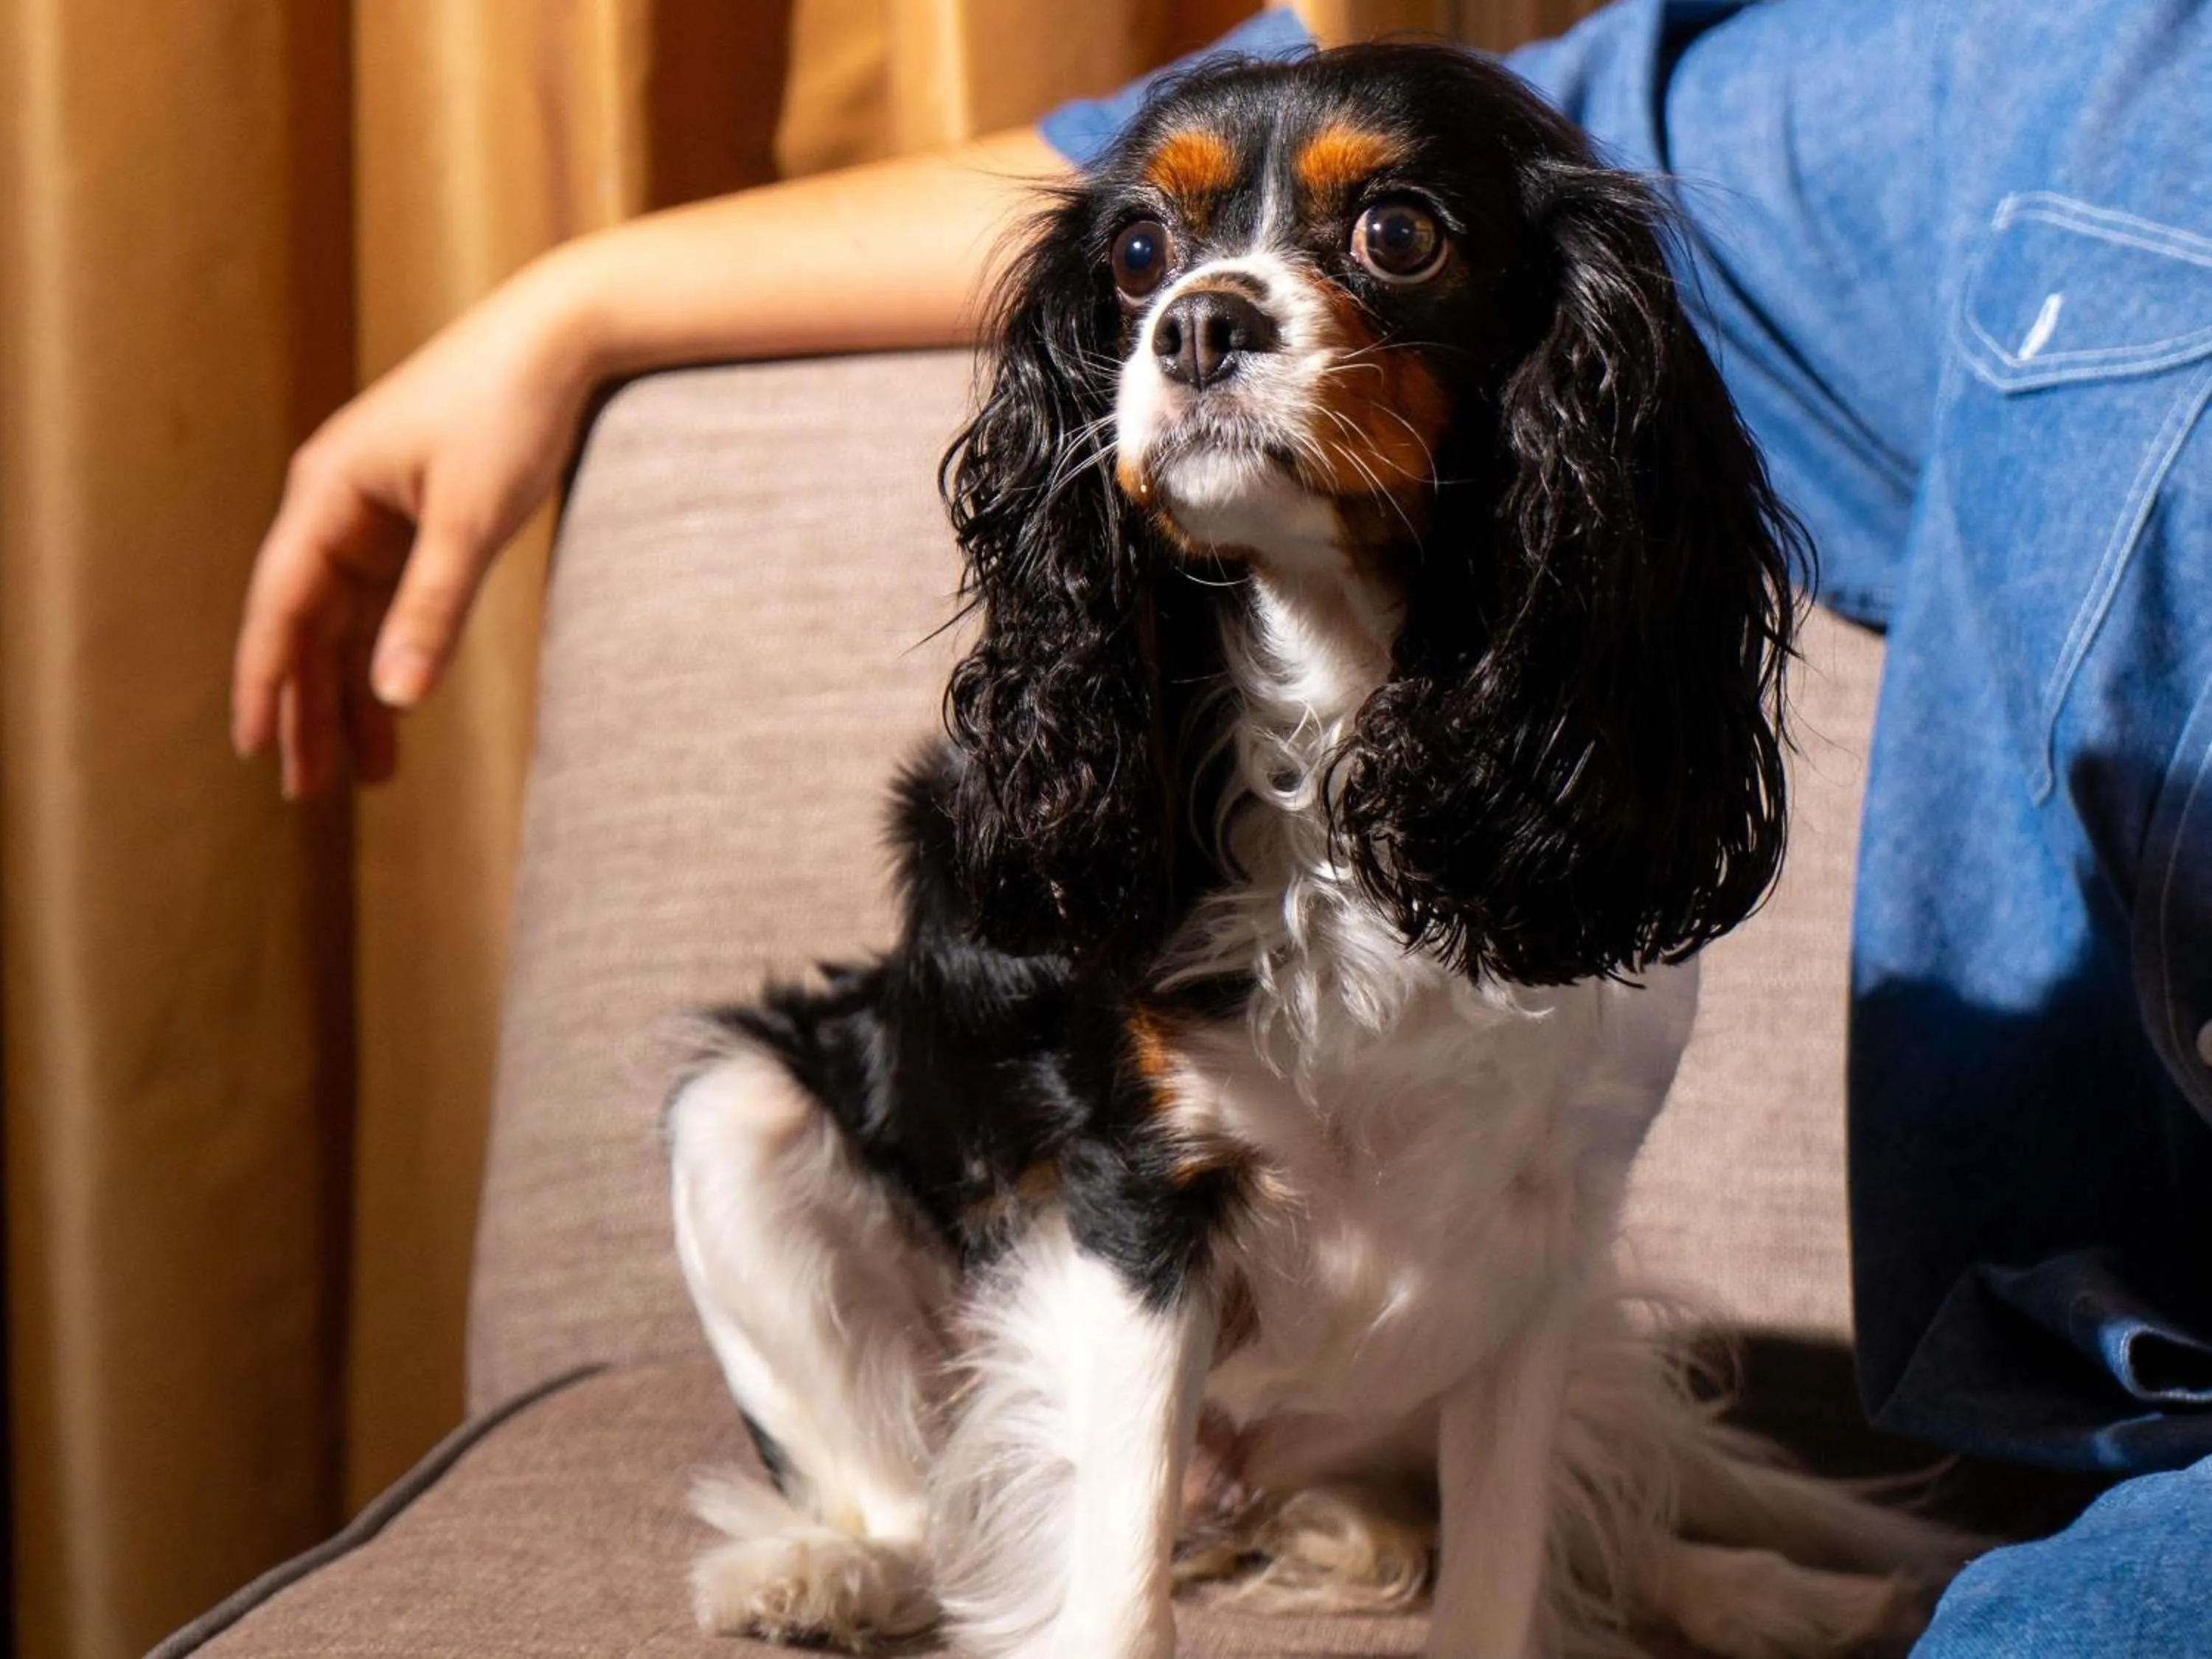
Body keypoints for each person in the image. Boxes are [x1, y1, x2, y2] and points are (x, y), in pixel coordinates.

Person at [232, 3, 2212, 1651]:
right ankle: (891, 1501)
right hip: (1100, 1308)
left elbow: (1533, 1236)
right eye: (1148, 276)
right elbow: (1250, 133)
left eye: (1390, 246)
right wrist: (565, 305)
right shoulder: (2002, 78)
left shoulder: (1601, 401)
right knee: (735, 1121)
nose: (1202, 312)